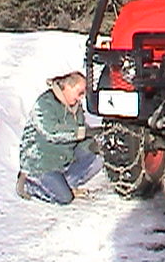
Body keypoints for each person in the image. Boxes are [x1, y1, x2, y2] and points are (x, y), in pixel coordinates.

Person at [16, 71, 103, 204]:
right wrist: (82, 132)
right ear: (68, 87)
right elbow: (51, 131)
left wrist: (95, 145)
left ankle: (63, 184)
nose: (81, 97)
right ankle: (28, 184)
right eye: (80, 92)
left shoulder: (75, 108)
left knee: (98, 159)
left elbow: (79, 137)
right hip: (41, 163)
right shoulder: (45, 103)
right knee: (64, 198)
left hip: (63, 160)